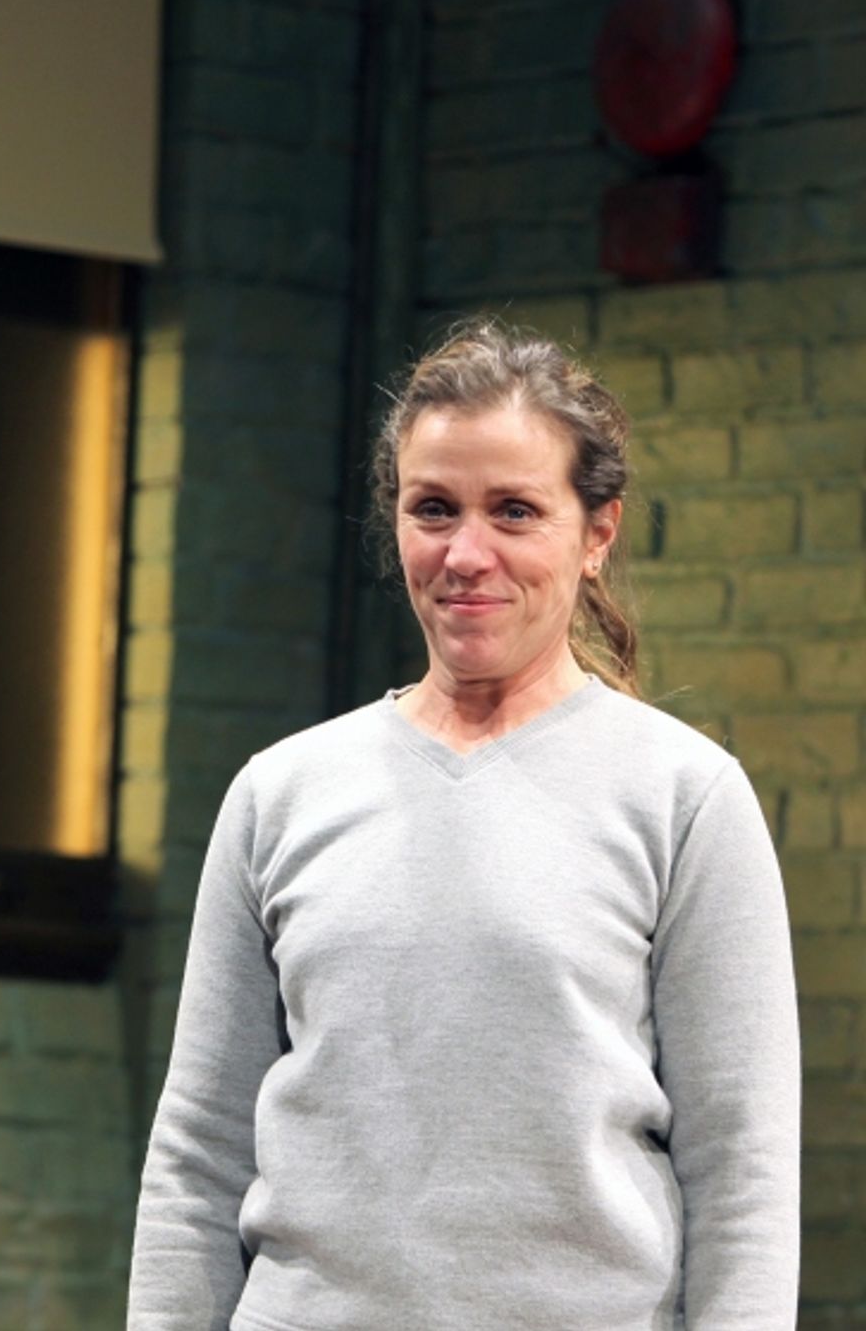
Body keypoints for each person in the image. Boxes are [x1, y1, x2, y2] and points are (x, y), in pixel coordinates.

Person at [128, 319, 800, 1331]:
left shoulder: (684, 797)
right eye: (433, 509)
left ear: (597, 534)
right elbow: (199, 1152)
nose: (466, 554)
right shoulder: (282, 793)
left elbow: (742, 1167)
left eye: (516, 512)